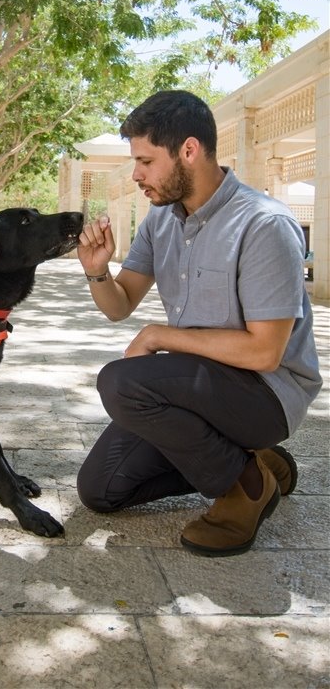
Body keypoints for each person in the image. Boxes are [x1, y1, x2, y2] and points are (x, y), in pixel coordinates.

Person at [76, 90, 322, 557]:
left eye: (146, 161)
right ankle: (249, 459)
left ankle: (245, 486)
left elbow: (265, 352)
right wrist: (97, 270)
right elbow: (119, 304)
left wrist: (159, 335)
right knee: (101, 489)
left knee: (122, 382)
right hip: (196, 391)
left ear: (188, 150)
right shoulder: (160, 221)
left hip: (264, 394)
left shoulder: (263, 223)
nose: (136, 174)